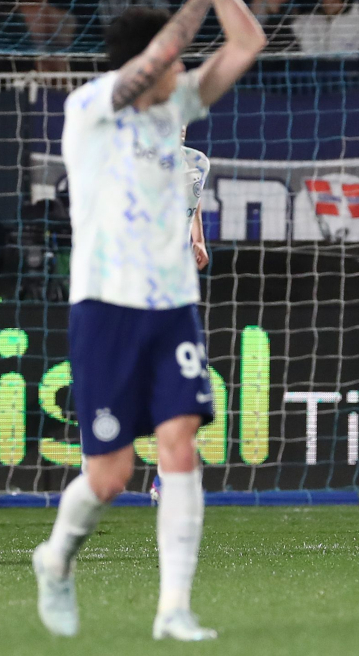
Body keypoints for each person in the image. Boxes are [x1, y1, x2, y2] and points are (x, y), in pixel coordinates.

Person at [31, 0, 266, 641]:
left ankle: (173, 609)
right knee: (109, 478)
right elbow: (164, 50)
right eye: (171, 66)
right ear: (146, 66)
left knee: (180, 446)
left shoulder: (176, 113)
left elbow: (248, 42)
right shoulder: (90, 109)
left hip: (173, 308)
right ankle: (56, 559)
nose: (182, 75)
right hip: (106, 307)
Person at [151, 130, 212, 504]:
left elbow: (194, 201)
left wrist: (198, 237)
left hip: (174, 286)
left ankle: (166, 478)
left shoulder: (197, 162)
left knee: (175, 381)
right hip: (130, 283)